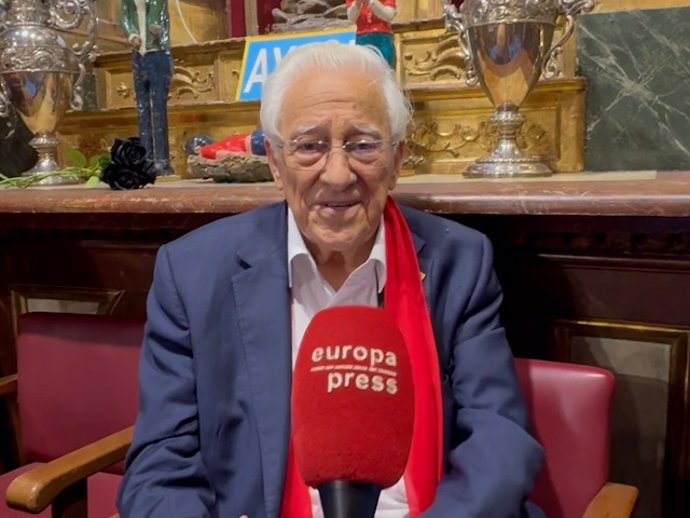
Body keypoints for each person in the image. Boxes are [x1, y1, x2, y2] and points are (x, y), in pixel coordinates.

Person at [117, 42, 544, 518]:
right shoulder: (194, 273)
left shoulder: (459, 262)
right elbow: (159, 465)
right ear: (276, 164)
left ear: (398, 158)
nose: (338, 175)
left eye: (363, 144)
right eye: (309, 145)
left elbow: (499, 438)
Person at [120, 0, 175, 176]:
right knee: (142, 109)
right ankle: (146, 159)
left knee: (158, 108)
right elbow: (125, 17)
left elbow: (163, 18)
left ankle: (162, 160)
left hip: (156, 53)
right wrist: (131, 34)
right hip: (139, 55)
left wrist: (157, 30)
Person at [346, 0, 397, 69]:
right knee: (364, 69)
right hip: (362, 37)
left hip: (382, 36)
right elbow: (351, 18)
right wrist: (357, 4)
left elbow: (389, 15)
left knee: (385, 68)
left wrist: (371, 2)